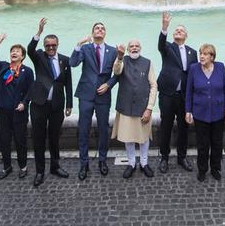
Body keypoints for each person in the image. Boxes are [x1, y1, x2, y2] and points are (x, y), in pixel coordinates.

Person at [70, 22, 120, 180]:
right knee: (83, 129)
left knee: (104, 129)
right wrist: (78, 44)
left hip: (103, 95)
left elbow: (118, 73)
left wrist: (109, 84)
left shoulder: (113, 51)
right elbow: (73, 63)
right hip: (85, 94)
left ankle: (102, 161)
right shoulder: (85, 48)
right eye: (97, 28)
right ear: (92, 33)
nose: (100, 30)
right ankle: (84, 163)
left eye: (102, 28)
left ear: (105, 33)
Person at [27, 18, 73, 187]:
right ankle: (40, 171)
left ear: (58, 45)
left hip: (56, 106)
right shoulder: (39, 56)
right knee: (38, 138)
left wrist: (69, 104)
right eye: (48, 46)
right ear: (45, 47)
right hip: (39, 105)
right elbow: (30, 49)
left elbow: (68, 82)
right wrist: (38, 32)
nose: (51, 48)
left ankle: (55, 166)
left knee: (54, 138)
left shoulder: (65, 60)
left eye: (53, 45)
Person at [0, 34, 34, 180]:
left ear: (22, 56)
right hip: (3, 111)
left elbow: (30, 90)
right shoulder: (3, 67)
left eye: (17, 51)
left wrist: (24, 103)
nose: (14, 53)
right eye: (12, 51)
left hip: (18, 112)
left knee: (20, 141)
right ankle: (6, 166)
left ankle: (23, 166)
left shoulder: (27, 71)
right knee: (4, 140)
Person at [156, 12, 197, 173]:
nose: (178, 31)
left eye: (181, 30)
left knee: (183, 128)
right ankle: (164, 157)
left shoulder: (192, 52)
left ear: (186, 35)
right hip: (167, 93)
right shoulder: (167, 47)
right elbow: (160, 44)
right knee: (165, 126)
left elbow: (194, 74)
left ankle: (182, 157)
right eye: (176, 30)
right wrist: (165, 27)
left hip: (184, 96)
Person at [185, 44, 225, 181]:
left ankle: (215, 168)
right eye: (201, 53)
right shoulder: (194, 69)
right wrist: (188, 110)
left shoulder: (220, 67)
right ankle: (202, 169)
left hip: (218, 113)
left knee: (217, 143)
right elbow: (189, 92)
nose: (201, 56)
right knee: (202, 145)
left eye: (205, 54)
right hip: (200, 114)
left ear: (212, 57)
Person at [111, 39, 157, 179]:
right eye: (131, 46)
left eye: (137, 46)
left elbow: (153, 85)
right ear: (128, 49)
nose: (134, 48)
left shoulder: (148, 62)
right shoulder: (122, 60)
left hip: (143, 107)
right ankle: (131, 163)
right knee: (128, 138)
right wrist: (119, 56)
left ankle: (144, 163)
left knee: (144, 138)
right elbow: (116, 71)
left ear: (140, 48)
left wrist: (149, 108)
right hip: (125, 106)